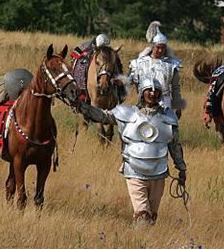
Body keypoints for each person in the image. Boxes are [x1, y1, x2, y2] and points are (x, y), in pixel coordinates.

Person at [77, 77, 187, 227]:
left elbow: (175, 145)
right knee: (142, 216)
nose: (152, 93)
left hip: (159, 174)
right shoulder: (126, 113)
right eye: (149, 90)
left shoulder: (168, 117)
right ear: (142, 92)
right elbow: (104, 116)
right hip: (134, 172)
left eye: (156, 91)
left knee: (152, 217)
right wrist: (84, 107)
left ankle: (145, 246)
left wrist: (181, 168)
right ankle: (141, 239)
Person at [129, 21, 186, 118]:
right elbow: (131, 81)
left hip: (165, 104)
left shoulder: (172, 64)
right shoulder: (139, 63)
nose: (160, 50)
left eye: (163, 48)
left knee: (168, 131)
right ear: (152, 46)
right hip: (145, 104)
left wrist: (177, 106)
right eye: (158, 47)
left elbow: (176, 87)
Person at [70, 33, 126, 102]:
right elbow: (75, 54)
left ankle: (120, 90)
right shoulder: (86, 47)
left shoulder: (110, 52)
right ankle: (80, 91)